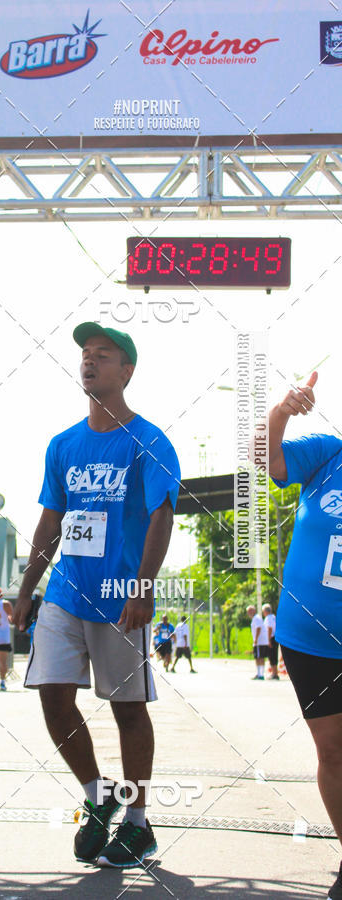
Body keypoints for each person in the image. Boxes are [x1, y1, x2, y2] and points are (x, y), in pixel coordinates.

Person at [13, 322, 180, 868]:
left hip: (119, 597)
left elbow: (161, 513)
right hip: (65, 592)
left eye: (102, 355)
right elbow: (51, 520)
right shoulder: (63, 444)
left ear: (126, 371)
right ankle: (96, 794)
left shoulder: (150, 441)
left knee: (128, 710)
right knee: (53, 696)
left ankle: (138, 823)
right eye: (85, 354)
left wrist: (142, 584)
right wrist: (25, 589)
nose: (89, 362)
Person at [267, 371, 342, 900]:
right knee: (334, 751)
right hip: (311, 634)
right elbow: (268, 461)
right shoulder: (327, 453)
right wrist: (280, 413)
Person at [247, 604, 269, 680]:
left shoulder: (257, 618)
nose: (248, 613)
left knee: (260, 657)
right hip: (259, 642)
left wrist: (256, 639)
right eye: (248, 612)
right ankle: (259, 673)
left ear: (254, 611)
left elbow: (258, 628)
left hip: (260, 642)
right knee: (257, 657)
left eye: (250, 611)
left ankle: (261, 674)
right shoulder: (255, 618)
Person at [262, 603, 279, 680]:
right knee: (274, 655)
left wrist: (268, 640)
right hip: (275, 638)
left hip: (271, 638)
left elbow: (269, 629)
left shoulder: (268, 618)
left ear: (266, 611)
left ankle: (274, 673)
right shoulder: (274, 617)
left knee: (271, 656)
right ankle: (275, 673)